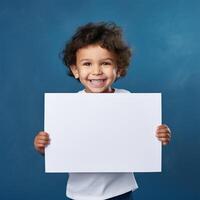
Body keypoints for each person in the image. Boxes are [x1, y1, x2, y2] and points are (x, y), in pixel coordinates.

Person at [34, 22, 171, 200]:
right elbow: (58, 148)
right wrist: (42, 145)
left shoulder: (129, 100)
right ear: (75, 70)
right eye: (87, 64)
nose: (96, 71)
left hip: (119, 190)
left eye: (105, 63)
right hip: (81, 192)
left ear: (119, 69)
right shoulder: (68, 108)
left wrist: (160, 135)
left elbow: (141, 140)